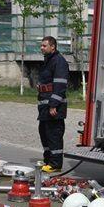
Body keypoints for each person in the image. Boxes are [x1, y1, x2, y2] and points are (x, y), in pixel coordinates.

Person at [37, 36, 69, 172]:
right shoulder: (48, 60)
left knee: (53, 134)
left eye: (44, 46)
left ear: (52, 47)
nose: (41, 48)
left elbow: (60, 85)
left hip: (54, 107)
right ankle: (48, 160)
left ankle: (55, 164)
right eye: (41, 45)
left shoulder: (59, 61)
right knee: (44, 132)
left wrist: (53, 104)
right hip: (45, 106)